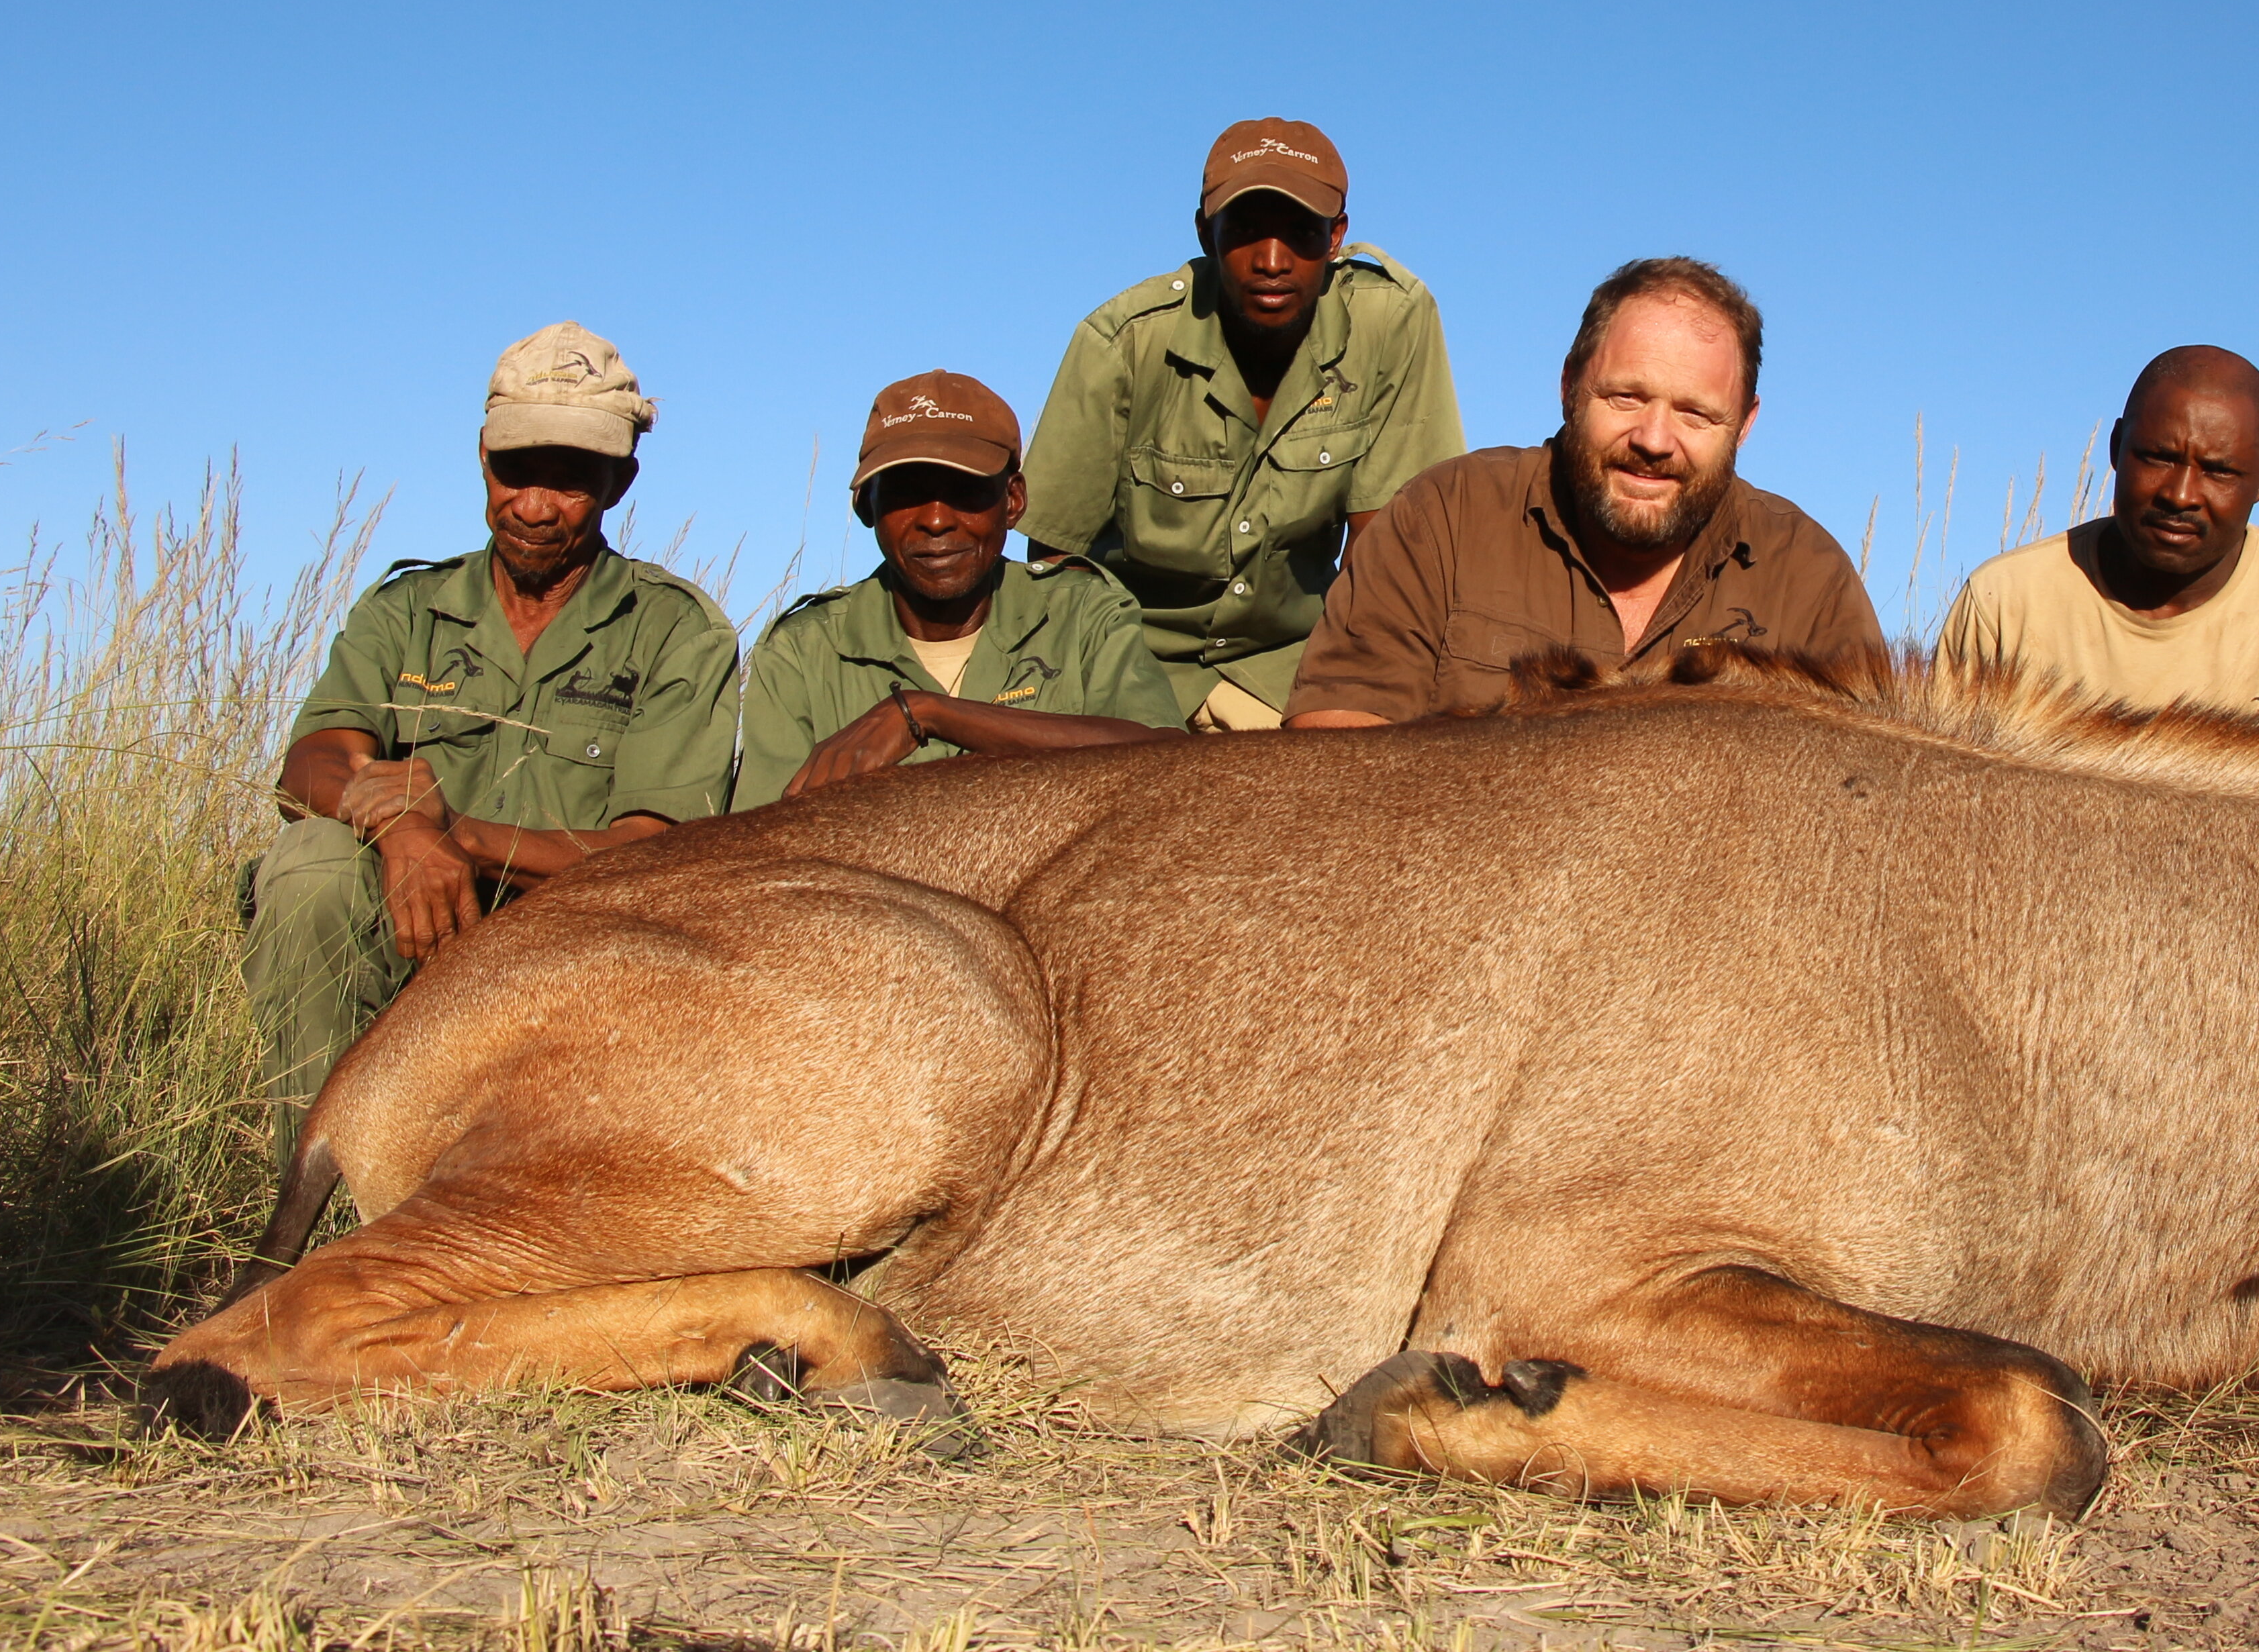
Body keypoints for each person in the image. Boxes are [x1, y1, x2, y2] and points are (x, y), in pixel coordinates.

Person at [246, 323, 740, 1140]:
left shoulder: (677, 630)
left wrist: (456, 838)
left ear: (621, 482)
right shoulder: (403, 610)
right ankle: (312, 1192)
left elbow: (655, 852)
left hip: (570, 961)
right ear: (483, 458)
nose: (536, 507)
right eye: (516, 471)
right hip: (410, 945)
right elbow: (312, 763)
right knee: (308, 862)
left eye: (574, 478)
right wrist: (399, 823)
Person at [1286, 256, 1884, 726]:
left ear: (1745, 425)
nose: (1654, 439)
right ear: (1570, 384)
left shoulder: (1810, 582)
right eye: (1625, 397)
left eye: (1696, 415)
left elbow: (1873, 795)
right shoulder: (1445, 515)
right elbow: (1336, 731)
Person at [1021, 119, 1465, 732]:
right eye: (1245, 231)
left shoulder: (1393, 321)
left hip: (1291, 664)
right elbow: (1055, 565)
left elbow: (1383, 552)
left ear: (1336, 236)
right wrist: (1117, 704)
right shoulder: (1120, 342)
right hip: (1136, 665)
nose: (1273, 262)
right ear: (1206, 233)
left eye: (1301, 233)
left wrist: (1345, 701)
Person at [736, 371, 1182, 806]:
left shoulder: (1082, 611)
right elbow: (760, 838)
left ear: (1013, 502)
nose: (935, 520)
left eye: (965, 491)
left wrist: (925, 713)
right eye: (906, 493)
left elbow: (1161, 757)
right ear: (866, 507)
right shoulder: (802, 650)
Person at [1936, 346, 2259, 731]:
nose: (2180, 495)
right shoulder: (2006, 602)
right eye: (2158, 457)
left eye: (2218, 471)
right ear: (2117, 448)